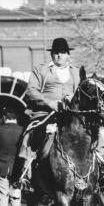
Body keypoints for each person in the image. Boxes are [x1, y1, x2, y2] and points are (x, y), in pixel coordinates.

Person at [17, 38, 80, 175]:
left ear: (68, 54)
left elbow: (80, 92)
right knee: (31, 134)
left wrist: (72, 97)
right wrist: (49, 103)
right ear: (52, 54)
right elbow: (31, 91)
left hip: (71, 114)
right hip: (45, 114)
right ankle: (24, 173)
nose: (59, 55)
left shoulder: (75, 72)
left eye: (63, 52)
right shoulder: (41, 70)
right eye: (56, 52)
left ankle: (100, 170)